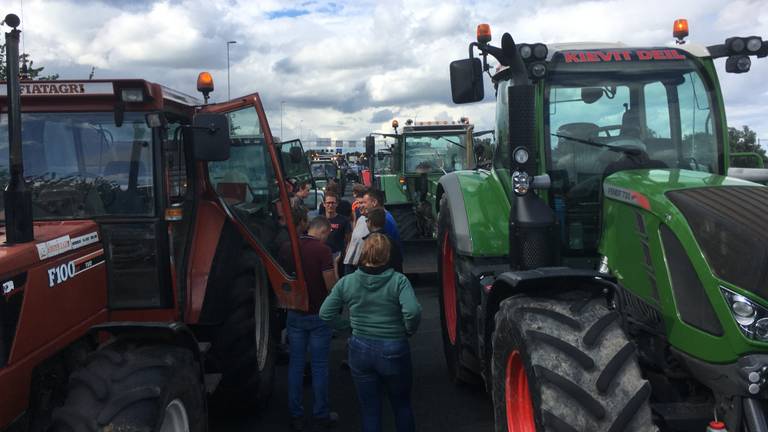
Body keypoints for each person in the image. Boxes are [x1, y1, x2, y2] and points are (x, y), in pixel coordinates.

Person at [320, 233, 422, 432]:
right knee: (401, 405)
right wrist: (408, 329)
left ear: (364, 253)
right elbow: (412, 311)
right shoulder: (398, 281)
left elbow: (325, 313)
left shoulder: (347, 282)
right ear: (387, 255)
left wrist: (346, 326)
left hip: (360, 349)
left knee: (370, 410)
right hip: (394, 347)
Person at [286, 216, 339, 431]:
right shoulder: (322, 251)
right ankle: (321, 414)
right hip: (319, 315)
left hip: (295, 313)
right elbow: (329, 284)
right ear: (324, 231)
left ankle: (296, 415)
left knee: (296, 365)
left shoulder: (287, 247)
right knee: (319, 366)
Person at [322, 191, 352, 276]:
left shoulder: (344, 220)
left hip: (338, 258)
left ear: (337, 204)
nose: (330, 205)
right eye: (328, 203)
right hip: (323, 256)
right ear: (324, 204)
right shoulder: (320, 220)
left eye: (333, 203)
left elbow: (349, 240)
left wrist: (345, 255)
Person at [365, 207, 403, 273]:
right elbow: (398, 262)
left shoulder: (368, 243)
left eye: (366, 220)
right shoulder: (392, 241)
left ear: (370, 222)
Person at [343, 194, 370, 275]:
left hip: (360, 266)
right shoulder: (361, 219)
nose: (360, 206)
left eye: (363, 203)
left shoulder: (372, 223)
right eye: (358, 203)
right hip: (349, 263)